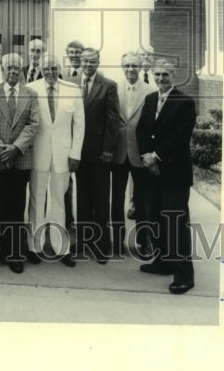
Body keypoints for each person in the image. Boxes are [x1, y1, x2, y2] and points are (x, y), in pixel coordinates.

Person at [135, 63, 197, 294]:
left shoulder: (185, 102)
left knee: (176, 224)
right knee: (155, 219)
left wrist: (156, 156)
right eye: (157, 74)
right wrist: (145, 156)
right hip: (151, 172)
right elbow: (141, 130)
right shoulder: (151, 99)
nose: (161, 78)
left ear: (175, 76)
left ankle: (184, 276)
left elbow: (180, 136)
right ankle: (163, 262)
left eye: (165, 75)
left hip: (174, 174)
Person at [0, 53, 40, 273]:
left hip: (20, 160)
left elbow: (33, 124)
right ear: (3, 70)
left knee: (16, 208)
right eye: (9, 68)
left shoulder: (31, 94)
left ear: (21, 71)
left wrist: (15, 148)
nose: (13, 72)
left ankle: (15, 254)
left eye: (16, 69)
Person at [27, 54, 84, 267]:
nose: (49, 72)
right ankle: (34, 246)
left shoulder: (72, 90)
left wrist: (75, 154)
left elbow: (79, 126)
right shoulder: (31, 88)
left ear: (59, 68)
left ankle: (62, 248)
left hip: (63, 155)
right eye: (46, 68)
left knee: (60, 201)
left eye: (53, 68)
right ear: (40, 69)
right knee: (36, 200)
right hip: (38, 154)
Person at [75, 47, 119, 263]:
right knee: (82, 199)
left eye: (92, 61)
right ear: (80, 62)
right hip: (77, 152)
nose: (88, 65)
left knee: (101, 201)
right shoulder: (72, 83)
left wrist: (108, 150)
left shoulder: (108, 85)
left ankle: (101, 247)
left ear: (98, 62)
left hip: (100, 153)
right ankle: (83, 243)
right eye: (85, 61)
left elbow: (113, 120)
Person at [111, 51, 155, 255]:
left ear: (140, 67)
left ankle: (144, 241)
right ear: (122, 66)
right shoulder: (114, 88)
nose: (130, 69)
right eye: (127, 65)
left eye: (134, 66)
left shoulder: (150, 91)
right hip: (118, 152)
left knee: (142, 198)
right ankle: (117, 241)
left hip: (140, 152)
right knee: (117, 198)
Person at [62, 39, 85, 231]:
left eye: (78, 52)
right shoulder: (61, 74)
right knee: (65, 181)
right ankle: (67, 218)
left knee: (85, 182)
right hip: (65, 136)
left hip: (87, 137)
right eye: (71, 52)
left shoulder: (94, 74)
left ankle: (86, 223)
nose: (75, 55)